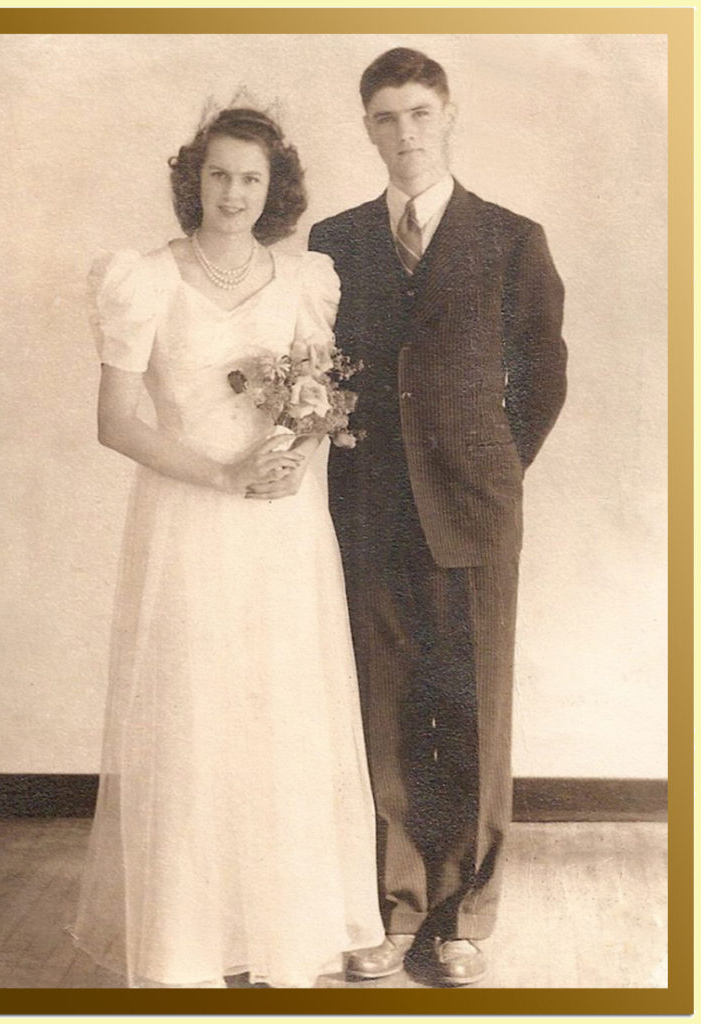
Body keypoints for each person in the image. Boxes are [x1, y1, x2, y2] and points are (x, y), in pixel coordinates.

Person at [72, 106, 384, 989]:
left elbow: (318, 404)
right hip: (188, 524)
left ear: (272, 187)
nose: (233, 194)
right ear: (192, 180)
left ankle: (284, 928)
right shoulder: (142, 279)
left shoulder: (303, 279)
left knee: (279, 715)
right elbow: (115, 421)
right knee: (197, 715)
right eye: (217, 176)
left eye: (250, 178)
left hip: (281, 531)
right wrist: (219, 474)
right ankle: (191, 943)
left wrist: (293, 456)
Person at [309, 48, 567, 987]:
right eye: (385, 118)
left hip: (474, 513)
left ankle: (461, 921)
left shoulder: (509, 236)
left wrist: (490, 468)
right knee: (379, 714)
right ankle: (392, 912)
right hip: (367, 512)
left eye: (419, 114)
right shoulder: (334, 241)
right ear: (367, 127)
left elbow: (543, 375)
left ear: (447, 115)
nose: (404, 135)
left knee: (470, 713)